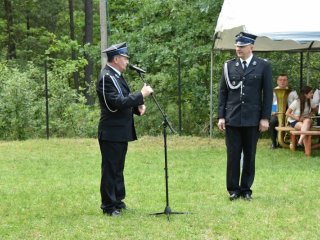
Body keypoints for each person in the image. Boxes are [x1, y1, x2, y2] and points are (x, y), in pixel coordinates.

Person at [96, 42, 153, 216]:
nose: (127, 62)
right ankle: (108, 206)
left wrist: (137, 107)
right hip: (111, 131)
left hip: (120, 131)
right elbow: (116, 103)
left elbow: (124, 99)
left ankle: (118, 200)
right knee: (110, 168)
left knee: (118, 168)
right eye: (125, 58)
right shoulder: (106, 77)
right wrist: (141, 95)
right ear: (116, 59)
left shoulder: (117, 76)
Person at [217, 32, 273, 201]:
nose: (238, 49)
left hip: (252, 118)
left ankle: (246, 189)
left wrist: (264, 118)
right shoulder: (229, 66)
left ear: (251, 47)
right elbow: (223, 93)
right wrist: (221, 116)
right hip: (232, 117)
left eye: (241, 46)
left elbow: (268, 94)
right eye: (237, 46)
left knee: (249, 154)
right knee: (233, 154)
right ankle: (233, 189)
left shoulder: (263, 65)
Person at [269, 74, 298, 149]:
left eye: (284, 80)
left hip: (290, 113)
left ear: (287, 82)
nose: (282, 82)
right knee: (272, 121)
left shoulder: (293, 92)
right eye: (280, 80)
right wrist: (273, 111)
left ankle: (292, 141)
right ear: (277, 81)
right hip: (277, 112)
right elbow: (272, 102)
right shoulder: (273, 91)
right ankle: (274, 143)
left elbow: (297, 103)